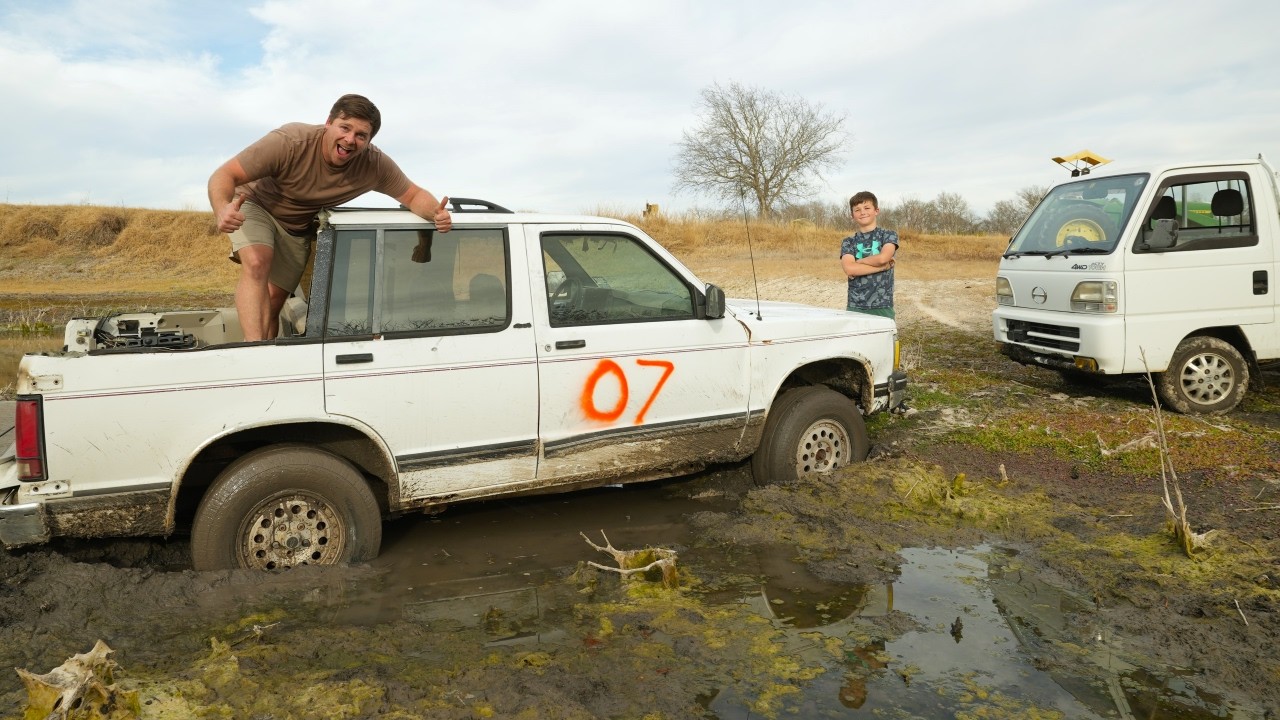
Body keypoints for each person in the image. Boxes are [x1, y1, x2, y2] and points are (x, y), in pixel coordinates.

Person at [209, 94, 452, 341]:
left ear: (369, 141)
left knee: (272, 304)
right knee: (258, 262)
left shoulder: (374, 165)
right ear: (328, 122)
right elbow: (224, 174)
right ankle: (254, 352)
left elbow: (413, 195)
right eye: (345, 128)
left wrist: (436, 213)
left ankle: (267, 356)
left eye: (361, 135)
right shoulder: (291, 141)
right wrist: (222, 208)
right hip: (255, 204)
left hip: (296, 227)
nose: (350, 139)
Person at [839, 191, 898, 318]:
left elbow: (883, 258)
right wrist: (882, 267)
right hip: (855, 305)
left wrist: (858, 262)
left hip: (882, 304)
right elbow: (850, 269)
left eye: (867, 208)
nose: (862, 212)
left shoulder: (888, 235)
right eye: (857, 210)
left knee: (885, 338)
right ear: (852, 215)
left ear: (876, 210)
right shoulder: (848, 242)